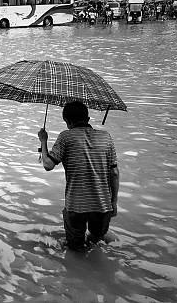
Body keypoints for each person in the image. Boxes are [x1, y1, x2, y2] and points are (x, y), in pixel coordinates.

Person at [37, 101, 119, 251]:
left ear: (67, 122)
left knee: (75, 247)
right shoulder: (106, 137)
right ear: (87, 119)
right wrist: (114, 202)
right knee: (95, 239)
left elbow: (48, 165)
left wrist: (43, 141)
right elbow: (114, 172)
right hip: (102, 204)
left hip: (76, 205)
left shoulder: (66, 137)